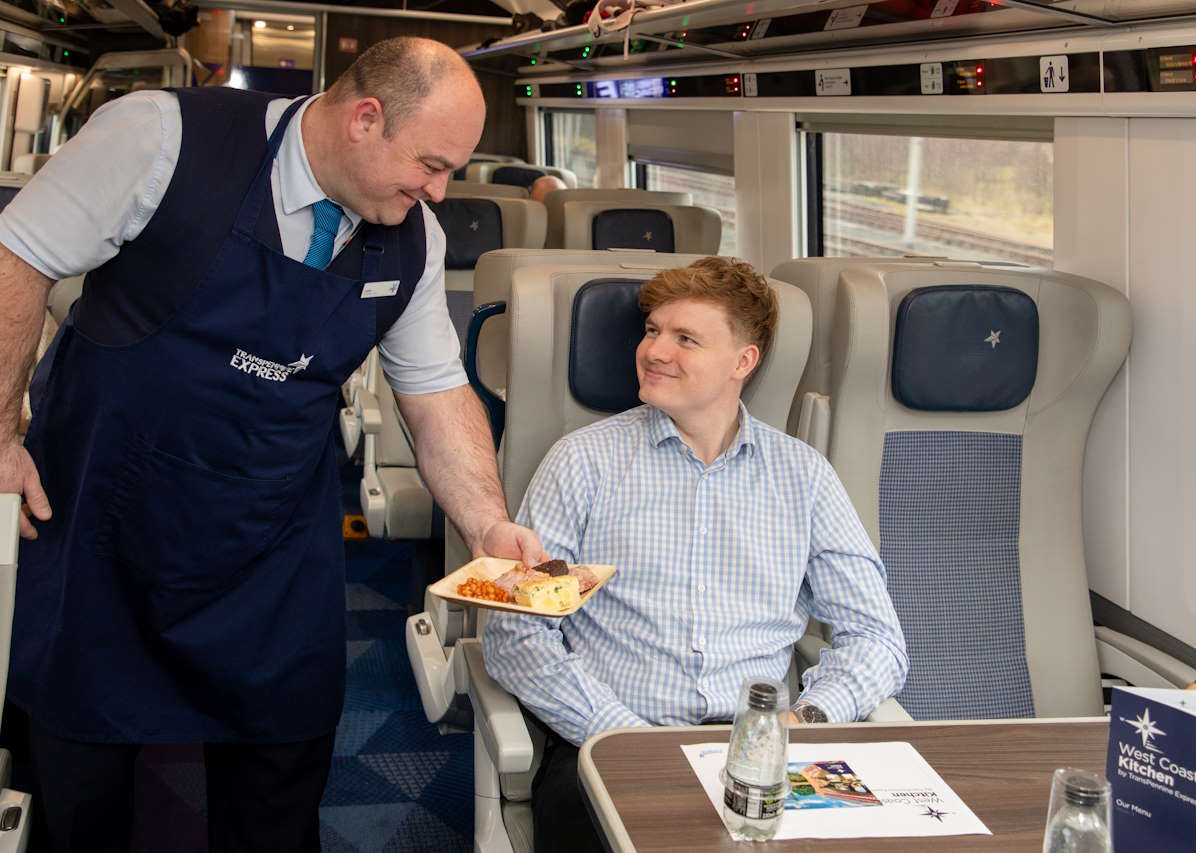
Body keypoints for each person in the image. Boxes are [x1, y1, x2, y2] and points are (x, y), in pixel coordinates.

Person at [0, 38, 546, 853]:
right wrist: (2, 430)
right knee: (82, 800)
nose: (438, 191)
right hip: (105, 523)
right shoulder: (159, 137)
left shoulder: (412, 241)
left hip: (269, 549)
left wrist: (487, 526)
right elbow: (19, 258)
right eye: (431, 164)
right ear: (366, 118)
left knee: (279, 799)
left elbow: (437, 397)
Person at [482, 256, 908, 853]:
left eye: (686, 339)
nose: (655, 350)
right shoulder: (581, 462)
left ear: (743, 362)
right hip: (610, 743)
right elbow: (515, 635)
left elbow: (877, 637)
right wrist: (621, 736)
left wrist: (802, 723)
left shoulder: (804, 477)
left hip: (761, 755)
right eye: (653, 331)